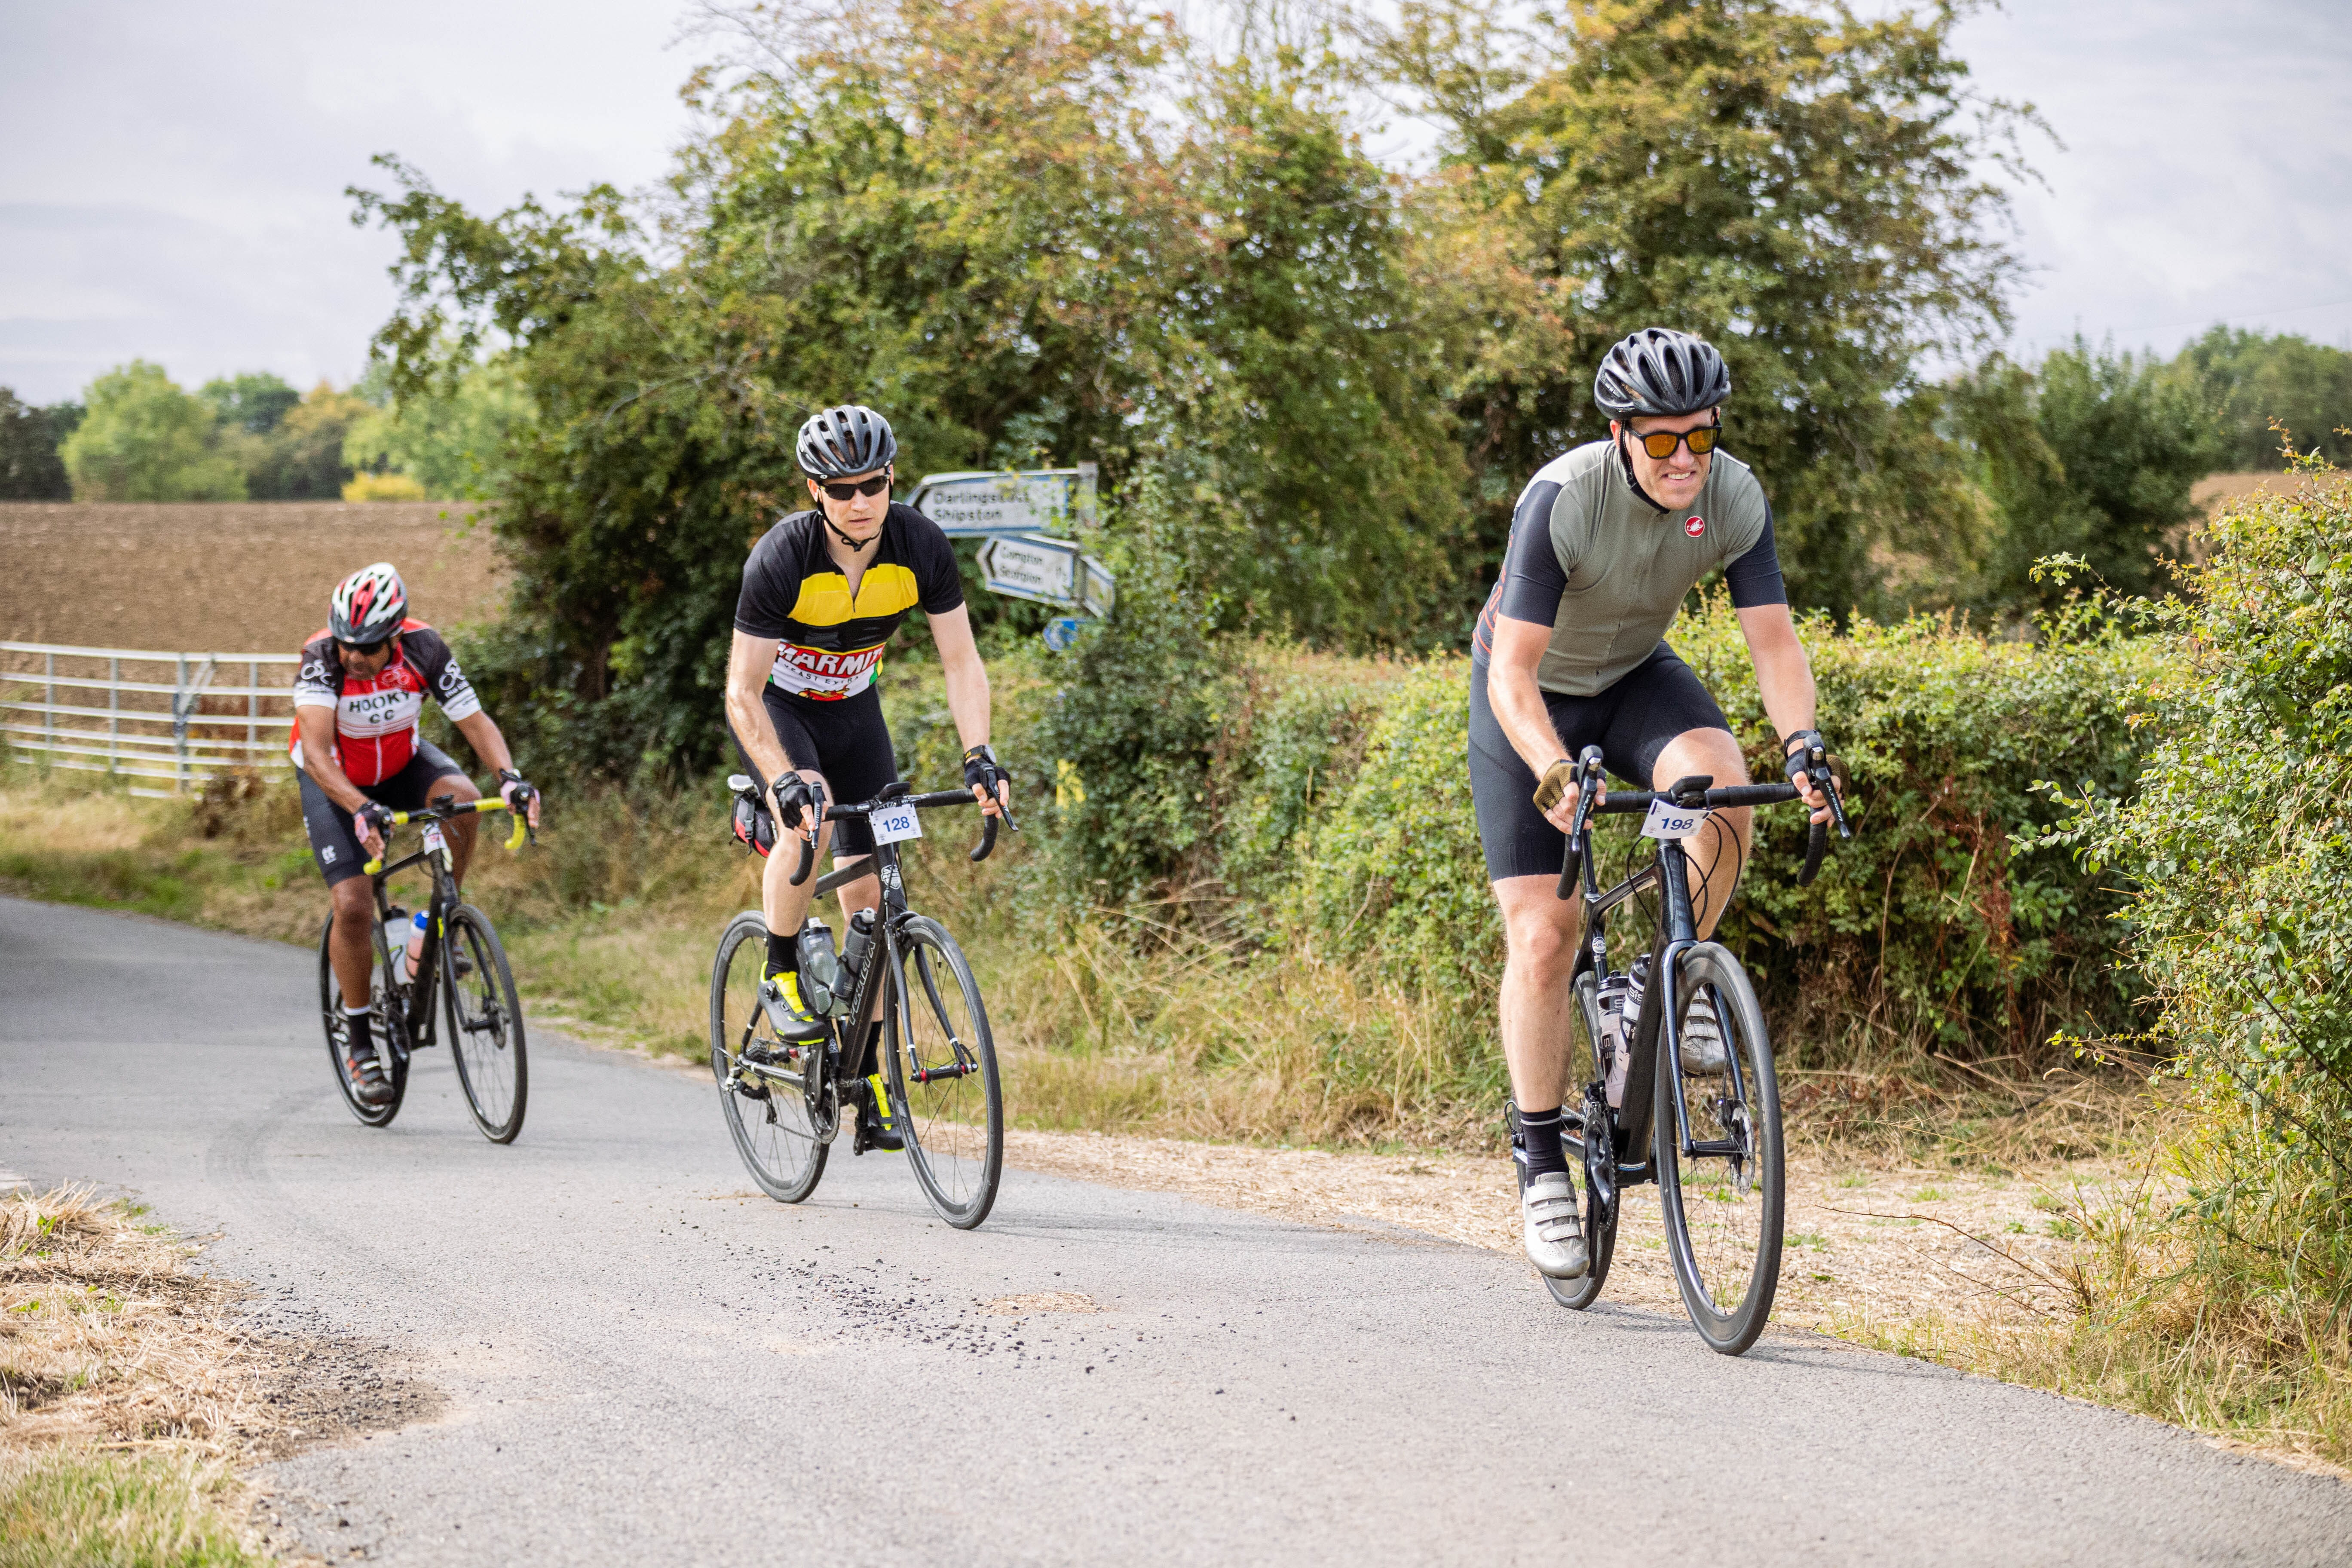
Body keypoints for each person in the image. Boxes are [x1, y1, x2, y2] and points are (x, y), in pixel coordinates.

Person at [1468, 328, 1833, 1281]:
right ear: (1623, 435)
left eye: (1698, 439)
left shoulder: (1733, 494)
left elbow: (1776, 646)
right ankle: (1541, 1158)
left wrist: (1803, 746)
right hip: (1533, 694)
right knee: (1544, 937)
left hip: (1635, 678)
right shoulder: (1564, 498)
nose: (1682, 461)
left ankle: (1656, 984)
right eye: (1661, 441)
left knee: (1717, 782)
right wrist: (1555, 769)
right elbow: (1513, 672)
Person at [723, 404, 1011, 1153]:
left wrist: (978, 754)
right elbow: (741, 691)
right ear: (815, 489)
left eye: (874, 484)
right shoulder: (782, 557)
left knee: (878, 898)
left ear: (892, 479)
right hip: (785, 711)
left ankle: (869, 1072)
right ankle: (780, 966)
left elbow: (961, 661)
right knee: (810, 823)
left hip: (857, 713)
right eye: (842, 487)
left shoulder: (919, 544)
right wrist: (782, 778)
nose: (860, 501)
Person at [293, 562, 542, 1105]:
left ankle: (436, 925)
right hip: (334, 775)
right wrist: (361, 809)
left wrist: (512, 779)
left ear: (397, 633)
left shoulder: (425, 649)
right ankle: (361, 1045)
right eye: (346, 643)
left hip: (401, 761)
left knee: (467, 801)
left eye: (369, 646)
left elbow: (474, 721)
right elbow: (314, 751)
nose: (354, 656)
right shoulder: (321, 659)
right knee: (354, 905)